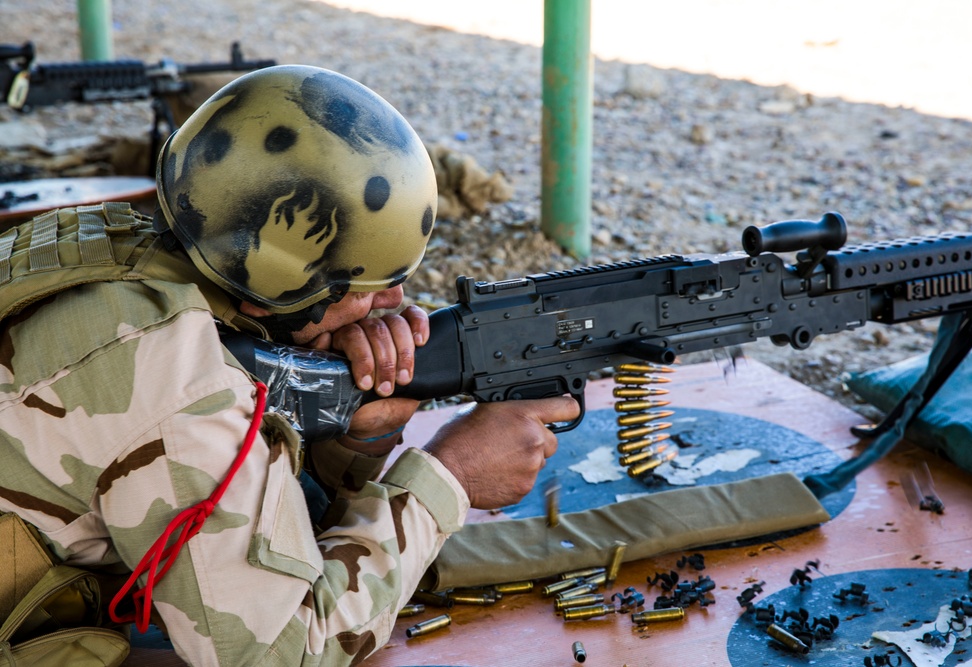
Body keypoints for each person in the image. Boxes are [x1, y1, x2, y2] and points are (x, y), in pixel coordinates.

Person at [0, 64, 578, 665]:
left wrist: (359, 431)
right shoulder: (180, 384)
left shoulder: (124, 241)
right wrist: (451, 477)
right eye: (369, 286)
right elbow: (282, 653)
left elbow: (261, 526)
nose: (394, 305)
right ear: (284, 280)